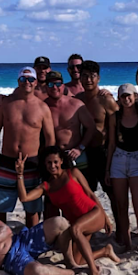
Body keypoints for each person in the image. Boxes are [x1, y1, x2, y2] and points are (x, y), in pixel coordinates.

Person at [16, 147, 120, 275]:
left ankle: (94, 271)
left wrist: (105, 218)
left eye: (55, 162)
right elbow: (24, 198)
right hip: (80, 224)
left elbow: (90, 194)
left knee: (74, 229)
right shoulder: (47, 186)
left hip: (93, 214)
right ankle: (105, 251)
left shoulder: (73, 173)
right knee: (78, 260)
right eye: (49, 163)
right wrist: (20, 174)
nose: (52, 166)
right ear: (45, 164)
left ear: (61, 161)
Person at [0, 67, 55, 228]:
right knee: (0, 207)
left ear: (36, 82)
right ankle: (1, 241)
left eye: (31, 79)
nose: (27, 82)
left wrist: (49, 163)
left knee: (32, 208)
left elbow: (50, 138)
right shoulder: (6, 104)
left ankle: (30, 242)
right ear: (18, 81)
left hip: (32, 162)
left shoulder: (42, 107)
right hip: (7, 161)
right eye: (23, 79)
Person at [105, 83, 138, 255]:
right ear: (118, 98)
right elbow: (111, 144)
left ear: (135, 96)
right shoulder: (114, 118)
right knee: (121, 205)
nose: (126, 99)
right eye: (123, 96)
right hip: (118, 159)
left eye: (129, 95)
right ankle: (127, 244)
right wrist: (108, 169)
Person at [44, 70, 96, 218]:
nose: (54, 87)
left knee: (78, 197)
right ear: (46, 87)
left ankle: (81, 231)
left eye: (58, 84)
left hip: (75, 155)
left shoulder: (76, 105)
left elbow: (91, 128)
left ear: (62, 85)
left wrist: (80, 148)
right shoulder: (42, 107)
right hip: (53, 160)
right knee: (52, 199)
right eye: (50, 84)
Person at [75, 61, 118, 221]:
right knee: (85, 193)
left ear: (98, 78)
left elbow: (122, 121)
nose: (88, 80)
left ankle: (121, 230)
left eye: (92, 76)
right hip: (85, 153)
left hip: (104, 151)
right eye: (84, 76)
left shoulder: (105, 100)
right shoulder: (78, 100)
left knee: (112, 193)